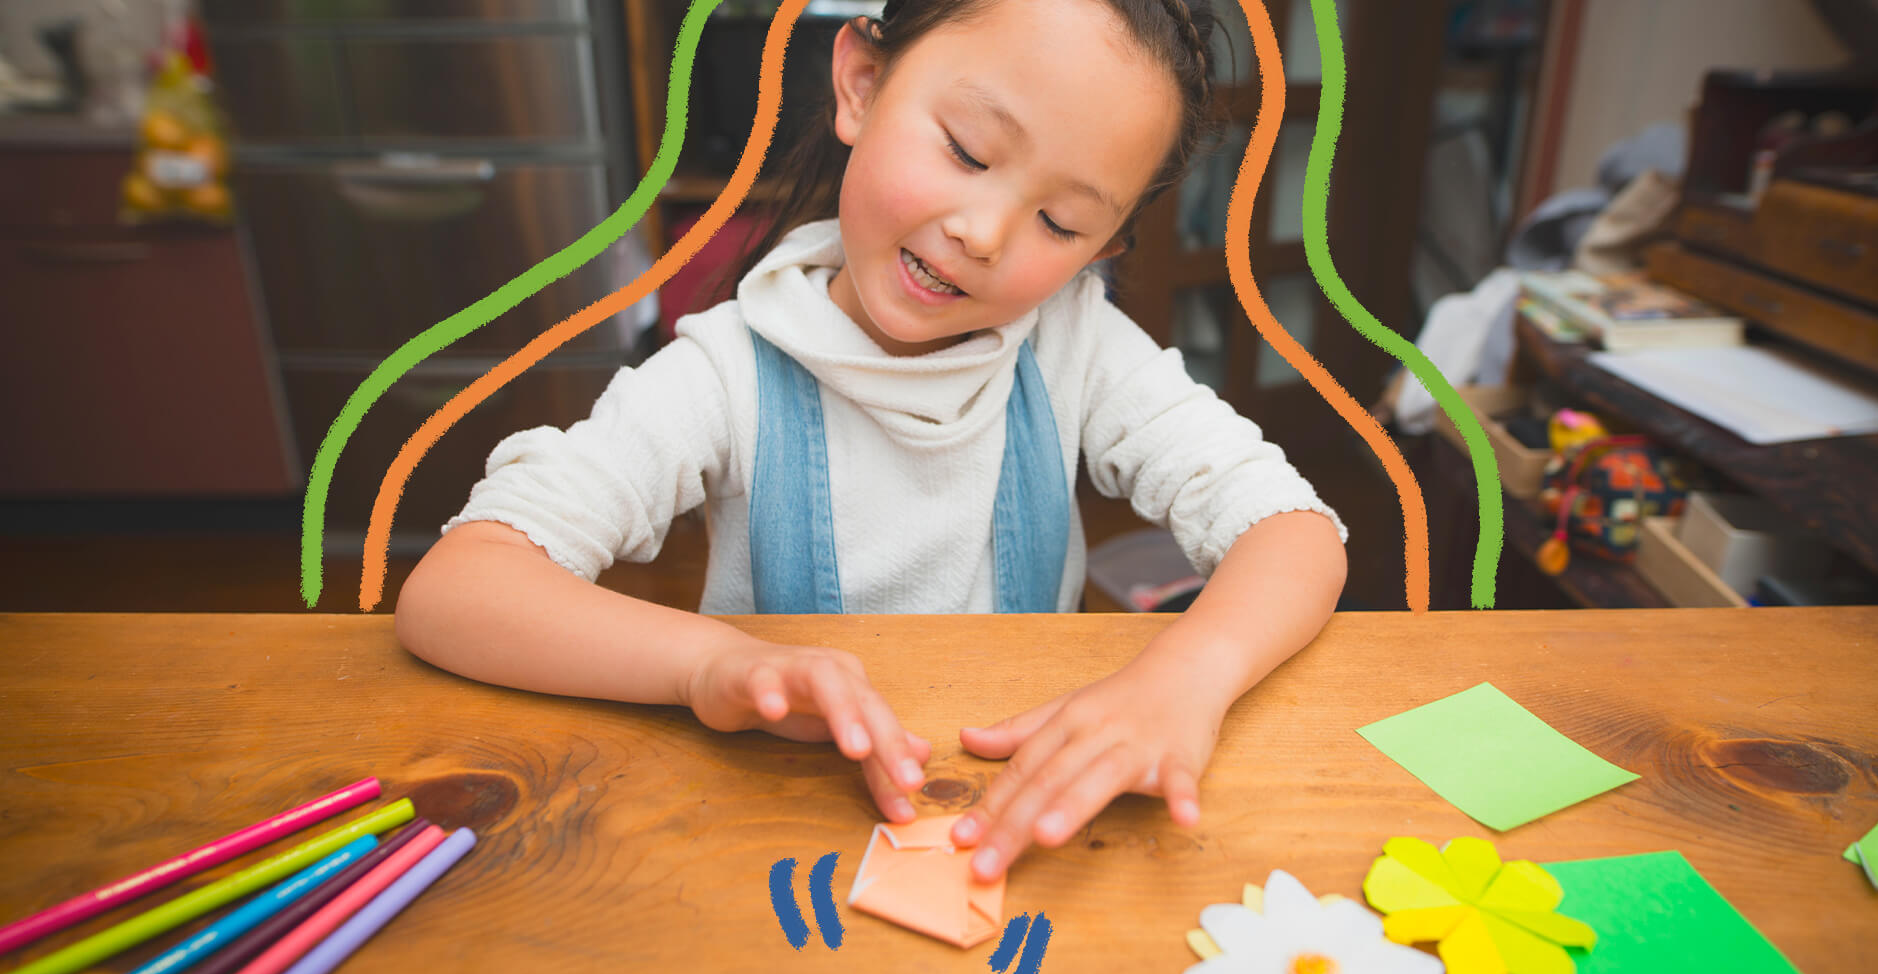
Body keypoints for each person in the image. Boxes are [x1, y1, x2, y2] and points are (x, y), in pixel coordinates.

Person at [395, 0, 1347, 885]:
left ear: (1099, 250)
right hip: (780, 834)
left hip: (1019, 823)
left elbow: (1295, 533)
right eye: (969, 152)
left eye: (1060, 221)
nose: (982, 232)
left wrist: (1184, 679)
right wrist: (706, 666)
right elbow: (458, 589)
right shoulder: (726, 372)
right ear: (860, 83)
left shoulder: (1077, 345)